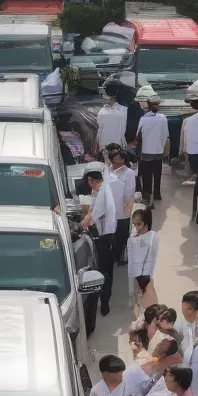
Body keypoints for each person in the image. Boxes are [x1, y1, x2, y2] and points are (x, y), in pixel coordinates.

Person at [81, 167, 117, 317]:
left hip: (104, 235)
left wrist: (86, 221)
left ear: (90, 181)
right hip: (105, 233)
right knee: (104, 267)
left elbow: (96, 213)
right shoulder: (101, 189)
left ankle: (104, 301)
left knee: (104, 269)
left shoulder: (102, 191)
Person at [137, 94, 169, 204]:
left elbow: (138, 134)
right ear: (158, 105)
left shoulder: (143, 119)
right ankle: (157, 194)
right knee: (157, 173)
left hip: (146, 151)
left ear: (148, 106)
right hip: (158, 150)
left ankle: (147, 193)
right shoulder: (163, 118)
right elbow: (165, 135)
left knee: (147, 174)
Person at [127, 207, 159, 312]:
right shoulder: (133, 235)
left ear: (146, 223)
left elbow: (153, 258)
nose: (136, 227)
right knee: (137, 300)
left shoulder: (152, 237)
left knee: (146, 301)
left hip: (145, 276)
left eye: (138, 224)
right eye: (134, 224)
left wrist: (149, 277)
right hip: (134, 274)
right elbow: (131, 258)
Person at [108, 149, 137, 264]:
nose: (117, 159)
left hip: (122, 211)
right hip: (110, 210)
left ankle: (118, 257)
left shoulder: (129, 173)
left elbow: (129, 194)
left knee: (121, 236)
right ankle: (113, 257)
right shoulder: (107, 171)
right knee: (112, 236)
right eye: (115, 157)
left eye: (119, 157)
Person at [97, 89, 127, 156]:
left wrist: (123, 140)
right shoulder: (102, 111)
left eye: (110, 99)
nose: (108, 101)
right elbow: (99, 128)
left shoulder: (123, 110)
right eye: (107, 99)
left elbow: (124, 126)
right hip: (105, 143)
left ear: (114, 98)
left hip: (118, 142)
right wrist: (99, 143)